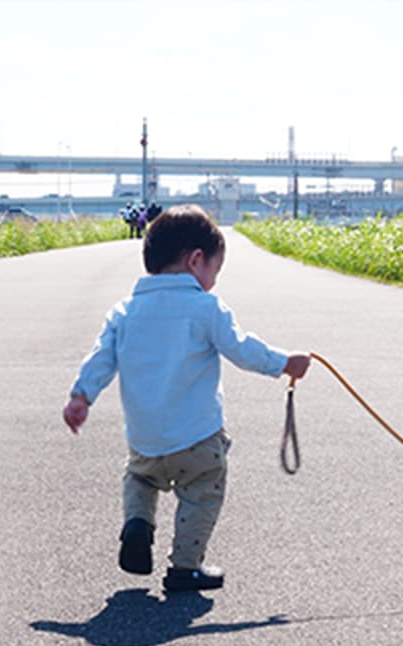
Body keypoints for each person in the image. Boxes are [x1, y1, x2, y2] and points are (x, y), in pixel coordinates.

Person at [63, 204, 310, 592]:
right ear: (196, 260)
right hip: (198, 438)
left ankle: (138, 523)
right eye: (214, 270)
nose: (212, 281)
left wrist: (82, 396)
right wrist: (285, 363)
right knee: (202, 493)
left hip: (145, 439)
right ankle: (184, 568)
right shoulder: (205, 307)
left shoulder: (125, 312)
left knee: (139, 480)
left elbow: (101, 357)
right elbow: (242, 350)